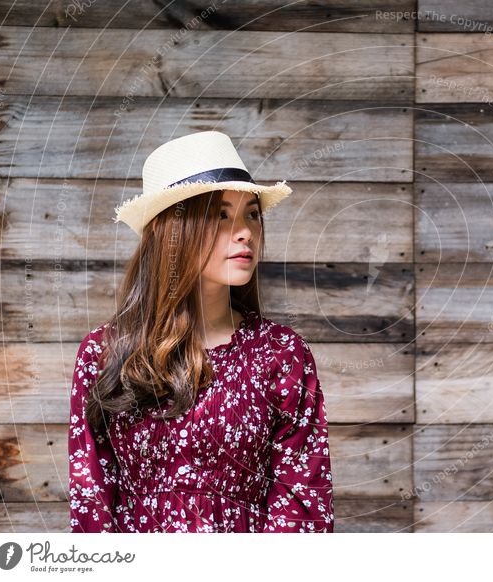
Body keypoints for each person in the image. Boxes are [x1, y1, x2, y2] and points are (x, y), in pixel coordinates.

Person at [68, 131, 334, 533]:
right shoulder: (103, 354)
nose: (245, 231)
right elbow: (91, 506)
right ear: (169, 230)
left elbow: (302, 509)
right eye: (221, 214)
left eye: (252, 213)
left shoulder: (280, 354)